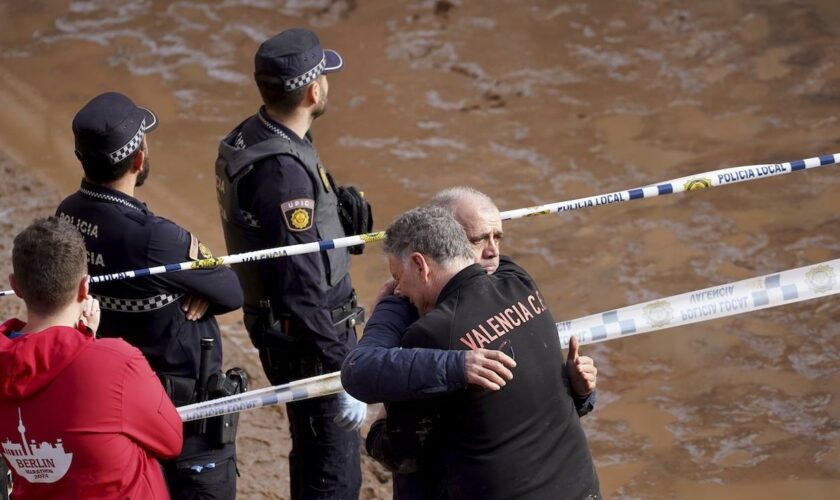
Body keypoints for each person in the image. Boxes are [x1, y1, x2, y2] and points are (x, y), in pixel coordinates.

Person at [56, 92, 244, 499]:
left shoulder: (66, 214)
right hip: (179, 415)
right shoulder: (156, 237)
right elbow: (231, 289)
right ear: (138, 158)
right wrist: (192, 290)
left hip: (108, 401)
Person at [214, 27, 370, 499]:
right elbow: (302, 287)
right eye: (324, 75)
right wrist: (347, 370)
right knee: (334, 471)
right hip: (309, 339)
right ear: (312, 89)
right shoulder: (282, 173)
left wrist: (336, 222)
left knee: (314, 452)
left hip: (285, 330)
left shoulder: (257, 133)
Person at [366, 207, 601, 499]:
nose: (398, 291)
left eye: (397, 277)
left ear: (420, 265)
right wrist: (582, 394)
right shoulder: (519, 283)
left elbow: (401, 454)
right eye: (481, 239)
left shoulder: (431, 333)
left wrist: (378, 423)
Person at [0, 217, 183, 499]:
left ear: (17, 287)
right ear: (85, 288)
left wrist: (84, 341)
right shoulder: (117, 362)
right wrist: (90, 343)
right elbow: (171, 441)